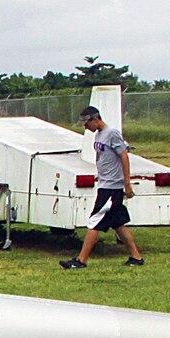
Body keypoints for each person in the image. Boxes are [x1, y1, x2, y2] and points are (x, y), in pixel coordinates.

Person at [60, 106, 144, 268]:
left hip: (111, 188)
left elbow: (124, 157)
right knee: (118, 224)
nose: (85, 127)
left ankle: (81, 261)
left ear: (95, 119)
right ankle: (136, 257)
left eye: (86, 123)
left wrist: (127, 184)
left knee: (94, 222)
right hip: (104, 184)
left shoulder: (112, 133)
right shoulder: (99, 135)